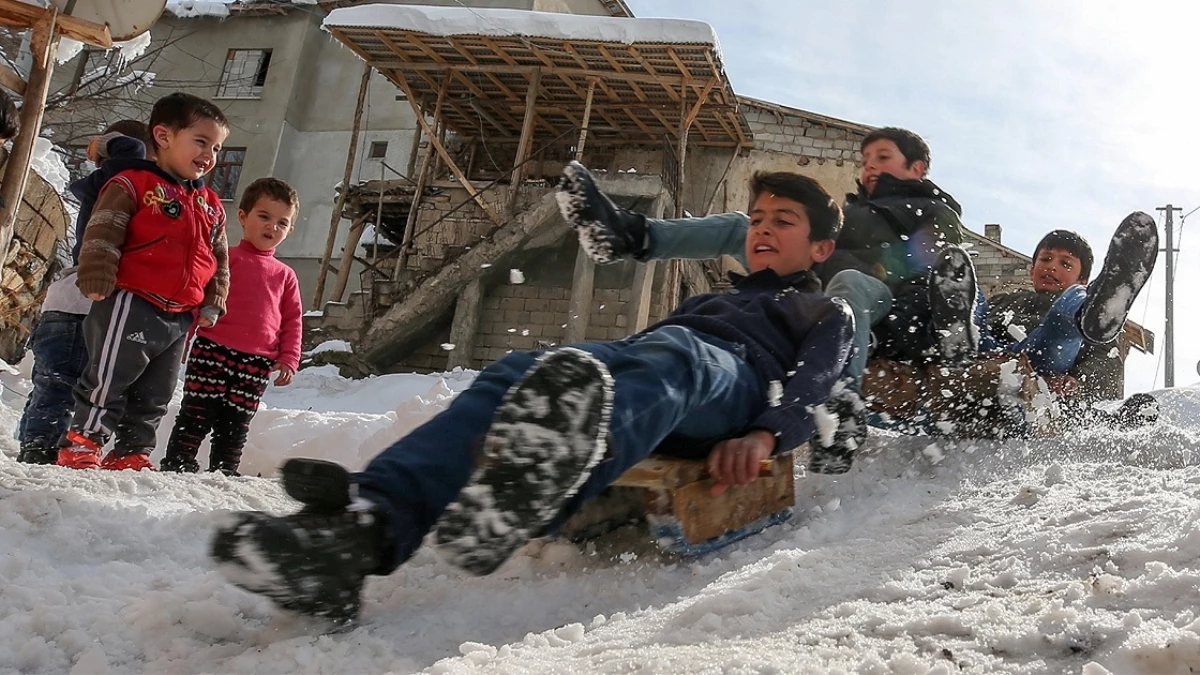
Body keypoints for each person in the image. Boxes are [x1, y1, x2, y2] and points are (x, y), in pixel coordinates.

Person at [210, 171, 855, 624]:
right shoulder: (708, 297)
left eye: (784, 222)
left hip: (728, 383)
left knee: (676, 353)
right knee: (518, 367)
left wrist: (766, 435)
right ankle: (361, 531)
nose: (762, 230)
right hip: (662, 369)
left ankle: (539, 492)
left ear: (820, 247)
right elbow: (638, 357)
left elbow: (815, 386)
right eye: (758, 219)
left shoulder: (823, 308)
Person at [558, 127, 981, 388]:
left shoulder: (934, 212)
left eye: (882, 158)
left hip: (884, 312)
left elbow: (928, 269)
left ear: (918, 167)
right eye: (866, 159)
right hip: (813, 291)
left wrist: (921, 319)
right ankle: (627, 236)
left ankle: (850, 393)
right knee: (747, 227)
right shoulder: (848, 213)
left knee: (853, 283)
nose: (869, 167)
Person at [56, 92, 231, 471]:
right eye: (201, 141)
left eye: (216, 147)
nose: (210, 154)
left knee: (158, 390)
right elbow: (104, 229)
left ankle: (132, 450)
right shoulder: (133, 182)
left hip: (180, 312)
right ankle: (85, 440)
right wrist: (97, 271)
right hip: (131, 300)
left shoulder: (210, 204)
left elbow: (218, 258)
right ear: (164, 137)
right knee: (109, 375)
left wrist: (214, 299)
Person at [16, 121, 153, 464]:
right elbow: (132, 154)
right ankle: (43, 450)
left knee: (51, 386)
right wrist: (113, 143)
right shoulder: (121, 182)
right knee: (69, 387)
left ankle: (35, 446)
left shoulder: (104, 187)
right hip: (82, 306)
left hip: (66, 303)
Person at [161, 178, 303, 476]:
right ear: (243, 217)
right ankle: (177, 462)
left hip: (257, 362)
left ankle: (225, 469)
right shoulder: (226, 260)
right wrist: (183, 337)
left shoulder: (286, 276)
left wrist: (289, 357)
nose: (272, 227)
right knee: (197, 412)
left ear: (290, 230)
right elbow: (200, 296)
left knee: (237, 421)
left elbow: (292, 320)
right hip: (213, 349)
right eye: (264, 216)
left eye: (282, 222)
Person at [977, 216, 1160, 426]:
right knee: (973, 297)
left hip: (1042, 371)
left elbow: (1105, 362)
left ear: (1082, 279)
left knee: (1072, 301)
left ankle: (1095, 307)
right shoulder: (1004, 301)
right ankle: (950, 334)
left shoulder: (1072, 303)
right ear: (1032, 269)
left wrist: (1077, 383)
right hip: (987, 364)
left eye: (1065, 263)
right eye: (1045, 259)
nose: (1052, 267)